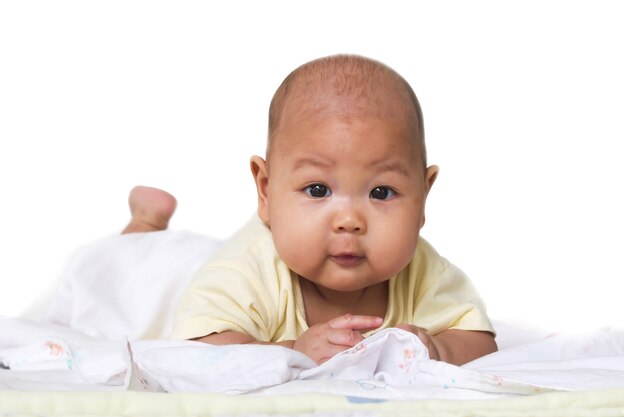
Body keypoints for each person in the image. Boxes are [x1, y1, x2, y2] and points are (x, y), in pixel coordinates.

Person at [127, 55, 497, 366]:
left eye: (381, 192)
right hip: (165, 279)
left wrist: (437, 348)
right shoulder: (242, 272)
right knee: (135, 274)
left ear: (423, 196)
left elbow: (479, 340)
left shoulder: (421, 270)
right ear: (266, 191)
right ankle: (144, 225)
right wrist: (292, 350)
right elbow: (198, 352)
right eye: (318, 190)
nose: (349, 221)